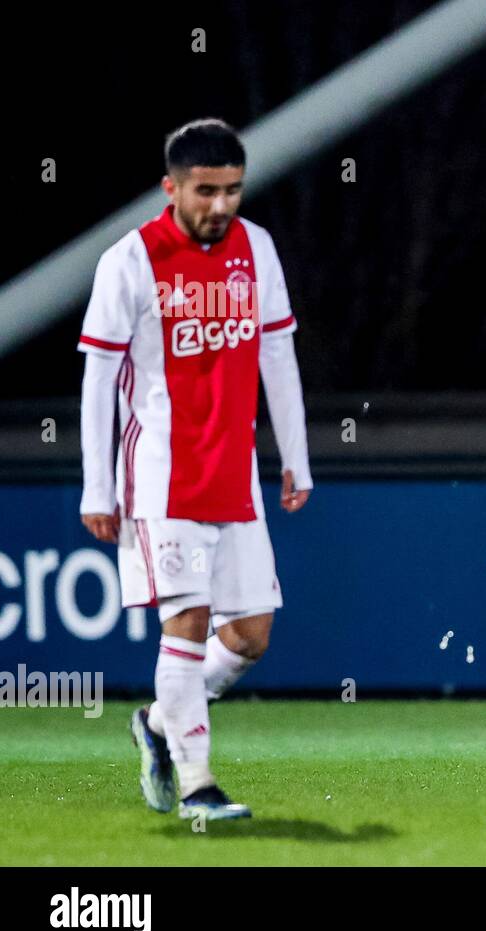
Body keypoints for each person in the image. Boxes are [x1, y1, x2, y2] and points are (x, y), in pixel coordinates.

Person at [78, 118, 312, 816]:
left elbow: (277, 355)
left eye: (232, 191)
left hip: (235, 474)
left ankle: (155, 722)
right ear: (170, 187)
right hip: (161, 474)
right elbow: (98, 376)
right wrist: (97, 483)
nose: (220, 205)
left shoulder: (257, 250)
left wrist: (295, 457)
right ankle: (197, 785)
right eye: (205, 191)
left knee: (250, 634)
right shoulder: (130, 258)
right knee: (187, 617)